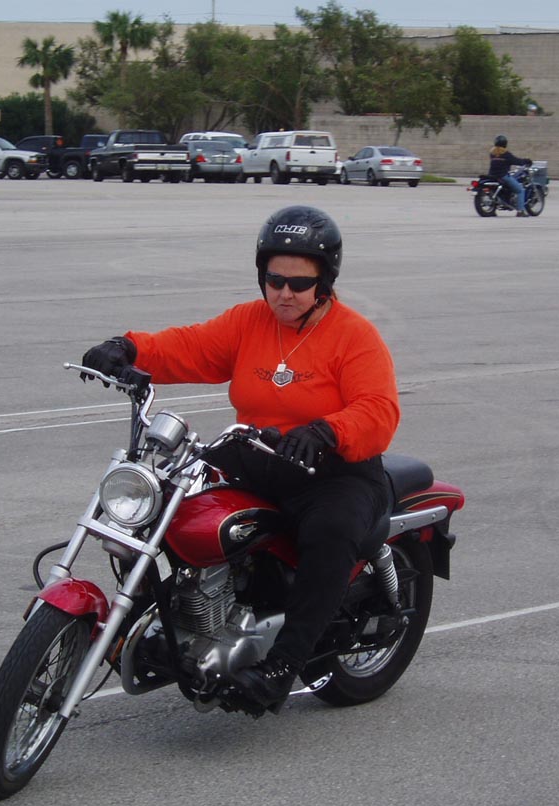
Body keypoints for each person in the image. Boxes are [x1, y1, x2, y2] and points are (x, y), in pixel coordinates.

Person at [81, 205, 401, 712]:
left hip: (332, 471)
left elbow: (379, 409)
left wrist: (327, 431)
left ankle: (281, 667)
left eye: (300, 283)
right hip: (258, 455)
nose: (284, 293)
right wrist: (128, 349)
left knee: (331, 533)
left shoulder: (354, 335)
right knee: (168, 501)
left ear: (324, 282)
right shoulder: (250, 321)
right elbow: (190, 347)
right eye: (275, 280)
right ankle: (169, 618)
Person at [488, 135, 533, 217]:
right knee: (520, 190)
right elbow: (517, 161)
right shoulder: (506, 154)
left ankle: (496, 206)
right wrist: (527, 161)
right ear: (505, 144)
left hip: (492, 175)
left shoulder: (492, 153)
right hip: (503, 176)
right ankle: (520, 211)